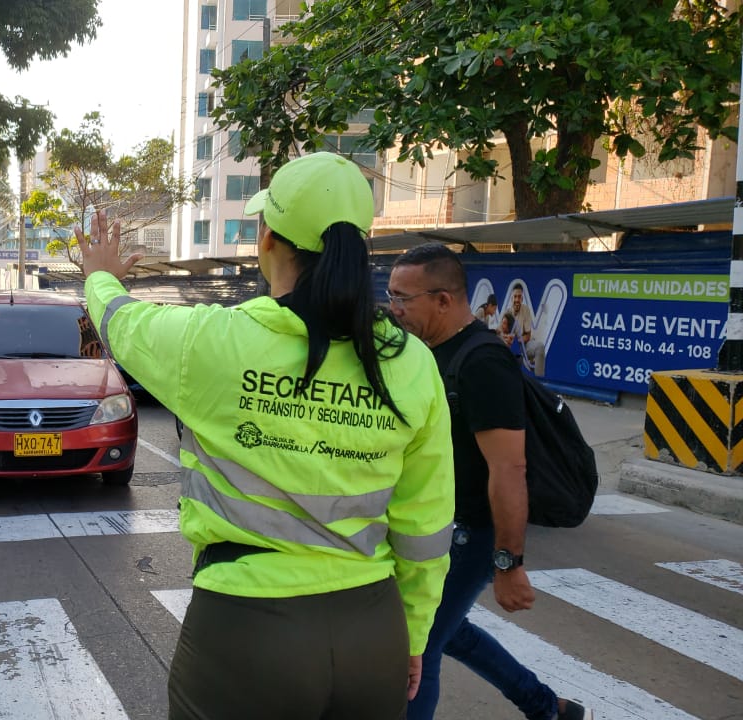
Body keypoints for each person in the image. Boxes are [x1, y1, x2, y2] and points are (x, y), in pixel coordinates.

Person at [80, 152, 455, 719]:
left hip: (246, 633)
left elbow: (120, 321)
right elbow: (425, 526)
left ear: (267, 238)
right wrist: (416, 632)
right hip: (372, 630)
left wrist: (99, 274)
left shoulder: (211, 343)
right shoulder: (411, 362)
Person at [388, 243, 591, 720]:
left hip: (470, 533)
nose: (394, 310)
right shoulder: (427, 352)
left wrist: (507, 562)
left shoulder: (482, 362)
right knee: (448, 629)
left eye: (404, 299)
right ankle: (547, 708)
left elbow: (509, 468)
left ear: (443, 300)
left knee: (418, 650)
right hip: (436, 525)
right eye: (391, 297)